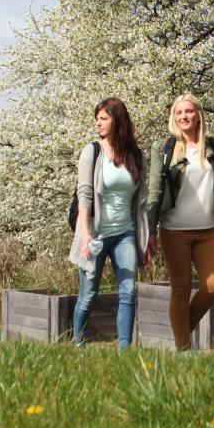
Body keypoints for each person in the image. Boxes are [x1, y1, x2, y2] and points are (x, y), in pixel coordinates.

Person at [144, 93, 214, 351]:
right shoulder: (164, 148)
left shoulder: (212, 145)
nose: (184, 117)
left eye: (189, 111)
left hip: (207, 230)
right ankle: (183, 350)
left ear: (198, 115)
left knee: (213, 285)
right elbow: (155, 191)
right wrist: (150, 230)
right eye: (179, 112)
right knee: (180, 290)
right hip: (174, 230)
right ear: (174, 117)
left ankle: (179, 336)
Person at [70, 97, 148, 349]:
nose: (98, 123)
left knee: (128, 292)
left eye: (103, 118)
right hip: (96, 234)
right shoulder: (92, 152)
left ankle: (124, 351)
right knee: (88, 295)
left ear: (117, 120)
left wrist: (147, 237)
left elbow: (142, 201)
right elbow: (84, 195)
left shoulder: (136, 156)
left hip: (125, 233)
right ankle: (78, 347)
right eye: (97, 119)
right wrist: (85, 235)